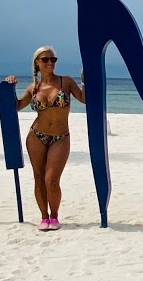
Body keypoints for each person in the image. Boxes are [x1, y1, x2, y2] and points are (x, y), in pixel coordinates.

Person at [6, 46, 85, 231]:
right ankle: (44, 217)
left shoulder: (65, 82)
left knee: (52, 180)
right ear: (37, 63)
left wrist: (85, 81)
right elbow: (16, 106)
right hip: (36, 136)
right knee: (38, 177)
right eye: (45, 59)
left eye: (53, 59)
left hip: (60, 136)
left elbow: (84, 98)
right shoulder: (34, 88)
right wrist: (10, 86)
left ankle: (55, 216)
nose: (50, 62)